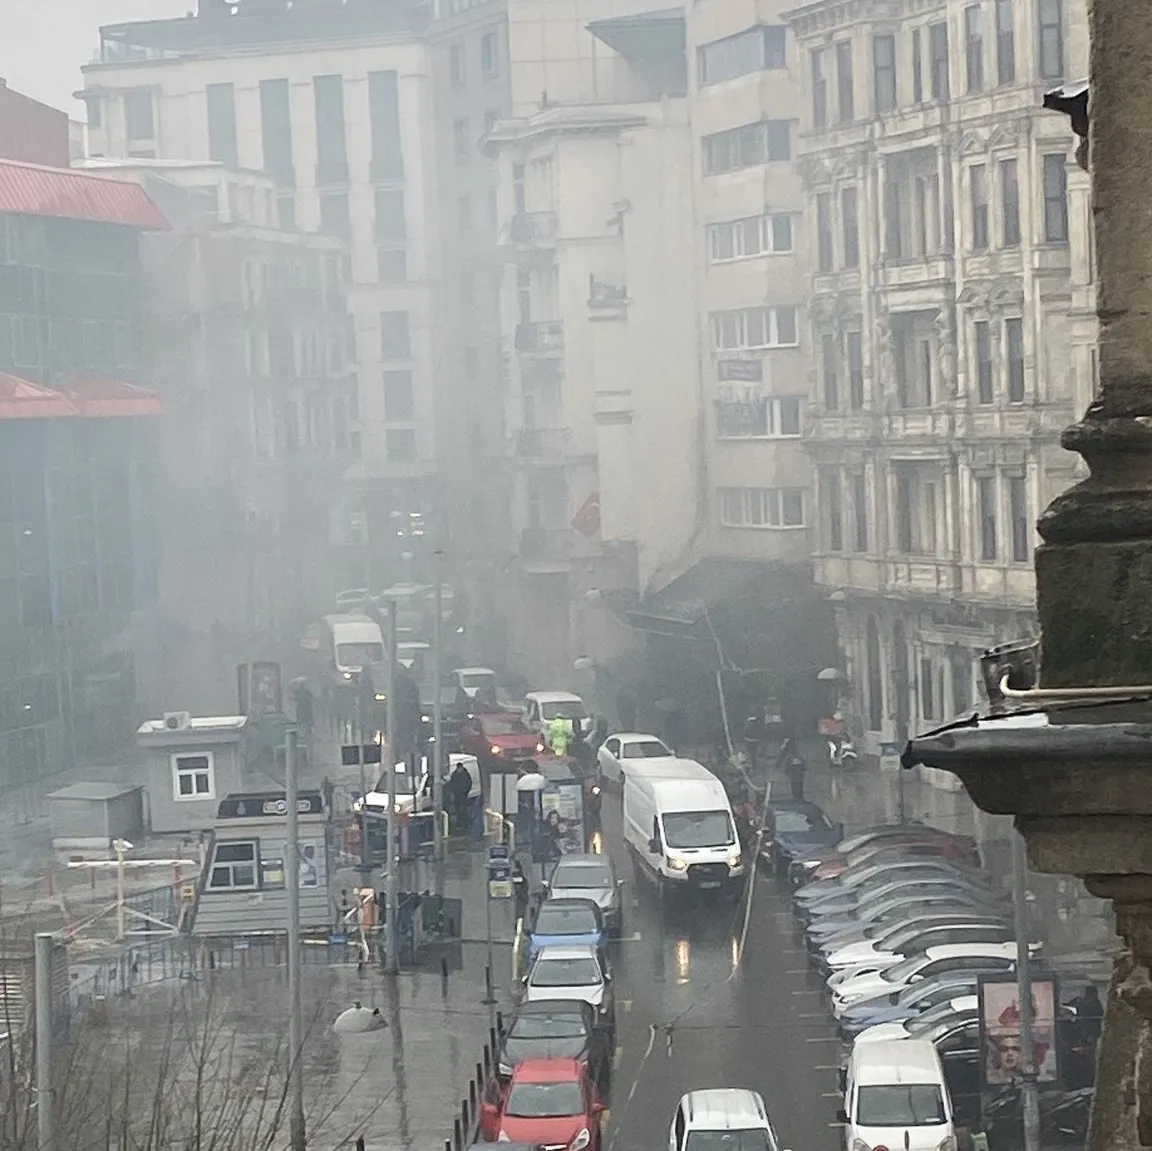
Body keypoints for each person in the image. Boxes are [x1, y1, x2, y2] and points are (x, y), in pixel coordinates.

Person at [447, 759, 473, 834]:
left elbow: (469, 783)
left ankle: (465, 824)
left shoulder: (465, 774)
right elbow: (452, 784)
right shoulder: (455, 774)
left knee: (463, 809)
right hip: (457, 795)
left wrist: (466, 791)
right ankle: (460, 823)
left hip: (463, 795)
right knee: (459, 810)